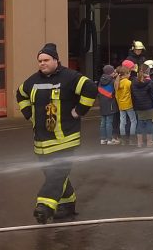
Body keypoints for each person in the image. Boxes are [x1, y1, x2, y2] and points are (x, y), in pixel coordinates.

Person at [16, 43, 97, 224]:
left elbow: (90, 88)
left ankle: (44, 207)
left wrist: (79, 111)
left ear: (56, 60)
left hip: (65, 139)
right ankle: (68, 204)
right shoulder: (33, 81)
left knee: (57, 173)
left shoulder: (70, 77)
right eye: (40, 61)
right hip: (42, 142)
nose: (42, 63)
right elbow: (20, 94)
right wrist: (28, 113)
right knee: (53, 175)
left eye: (46, 60)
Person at [131, 65, 153, 147]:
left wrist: (134, 106)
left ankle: (140, 143)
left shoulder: (133, 82)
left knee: (140, 123)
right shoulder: (150, 83)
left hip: (138, 106)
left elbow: (132, 96)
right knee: (149, 123)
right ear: (148, 72)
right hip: (148, 106)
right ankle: (149, 142)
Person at [97, 64, 120, 145]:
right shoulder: (112, 81)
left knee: (103, 122)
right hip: (110, 103)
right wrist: (117, 77)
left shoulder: (101, 81)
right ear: (111, 72)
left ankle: (103, 139)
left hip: (102, 104)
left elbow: (99, 91)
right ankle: (110, 139)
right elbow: (116, 89)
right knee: (109, 122)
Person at [114, 65, 137, 144]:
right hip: (129, 104)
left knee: (122, 122)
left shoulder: (117, 82)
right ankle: (132, 139)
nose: (130, 75)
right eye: (129, 73)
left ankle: (123, 140)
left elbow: (116, 96)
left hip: (121, 105)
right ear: (126, 74)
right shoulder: (128, 83)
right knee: (133, 121)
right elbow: (132, 93)